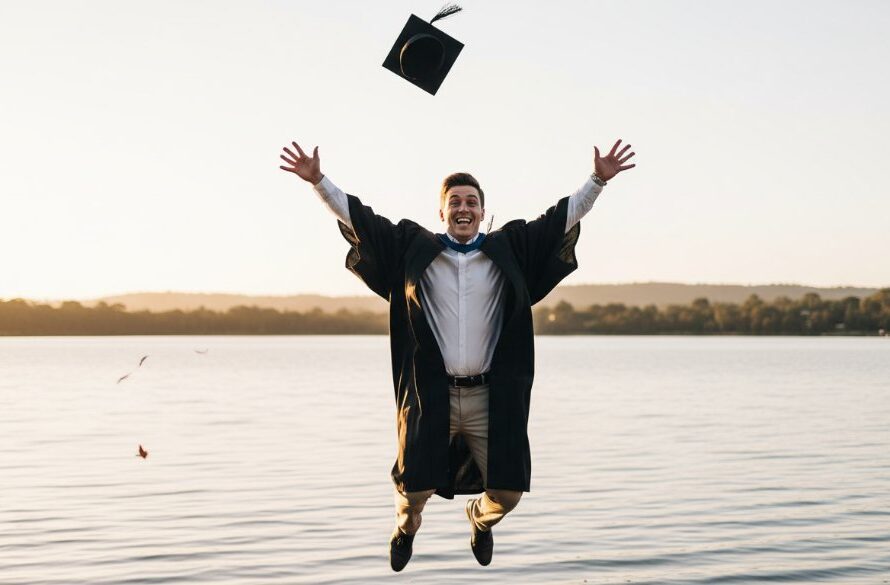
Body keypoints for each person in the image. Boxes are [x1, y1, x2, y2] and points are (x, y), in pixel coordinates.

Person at [279, 139, 635, 571]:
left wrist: (597, 180)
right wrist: (318, 181)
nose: (463, 208)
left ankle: (479, 521)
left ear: (483, 212)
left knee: (508, 493)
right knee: (412, 492)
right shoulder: (415, 248)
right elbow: (363, 221)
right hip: (432, 395)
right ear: (442, 212)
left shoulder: (509, 248)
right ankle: (405, 530)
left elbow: (560, 219)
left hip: (490, 396)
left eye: (471, 202)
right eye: (454, 202)